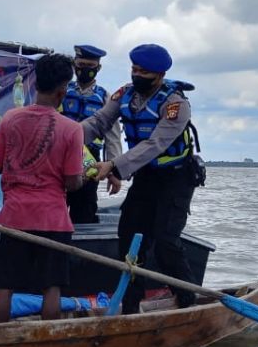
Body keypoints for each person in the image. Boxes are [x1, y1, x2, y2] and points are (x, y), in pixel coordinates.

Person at [80, 44, 200, 312]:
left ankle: (189, 300)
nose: (136, 75)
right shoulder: (124, 95)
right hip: (146, 177)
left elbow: (154, 145)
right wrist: (68, 135)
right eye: (134, 69)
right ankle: (132, 305)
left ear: (160, 74)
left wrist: (112, 165)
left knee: (166, 242)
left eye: (143, 72)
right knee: (129, 239)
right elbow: (99, 122)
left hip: (176, 178)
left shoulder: (175, 104)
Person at [0, 53, 85, 322]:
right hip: (53, 218)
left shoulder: (10, 119)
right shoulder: (72, 129)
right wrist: (85, 176)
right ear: (63, 90)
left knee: (4, 286)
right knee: (51, 287)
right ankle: (48, 346)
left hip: (14, 214)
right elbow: (72, 182)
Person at [59, 44, 124, 224]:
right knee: (55, 207)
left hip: (89, 161)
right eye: (81, 65)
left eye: (90, 66)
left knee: (84, 211)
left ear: (98, 68)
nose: (85, 70)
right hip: (59, 157)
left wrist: (114, 172)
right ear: (74, 64)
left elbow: (113, 138)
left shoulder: (106, 98)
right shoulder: (61, 91)